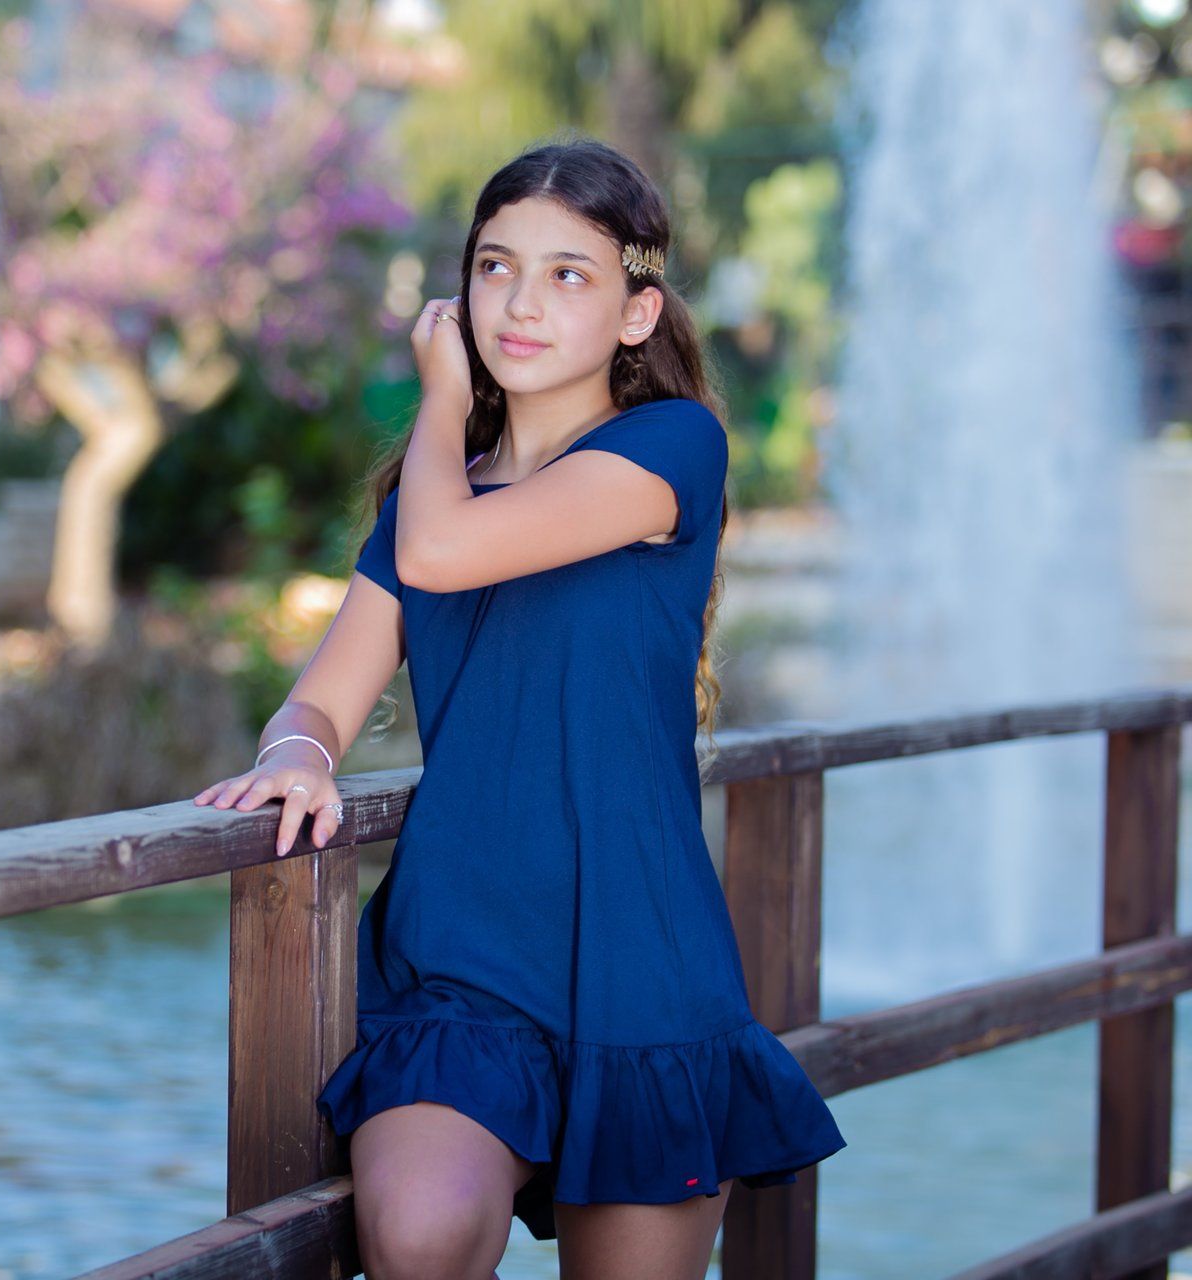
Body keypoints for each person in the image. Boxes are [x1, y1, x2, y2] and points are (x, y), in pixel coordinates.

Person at [191, 135, 846, 1280]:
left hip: (645, 958)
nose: (521, 302)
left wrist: (444, 397)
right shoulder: (428, 496)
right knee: (422, 1233)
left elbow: (443, 552)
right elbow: (323, 697)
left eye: (566, 273)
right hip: (462, 960)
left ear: (637, 313)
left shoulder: (672, 445)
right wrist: (298, 754)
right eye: (495, 267)